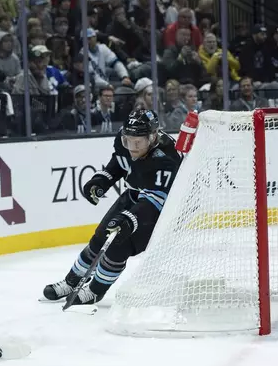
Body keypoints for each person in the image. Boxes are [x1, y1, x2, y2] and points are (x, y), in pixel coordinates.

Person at [42, 110, 183, 306]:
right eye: (128, 141)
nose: (131, 147)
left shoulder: (166, 158)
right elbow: (119, 162)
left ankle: (94, 291)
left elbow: (154, 202)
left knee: (119, 245)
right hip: (133, 195)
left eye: (137, 143)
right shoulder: (125, 141)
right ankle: (71, 282)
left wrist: (129, 219)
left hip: (160, 210)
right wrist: (101, 181)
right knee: (100, 238)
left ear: (152, 138)